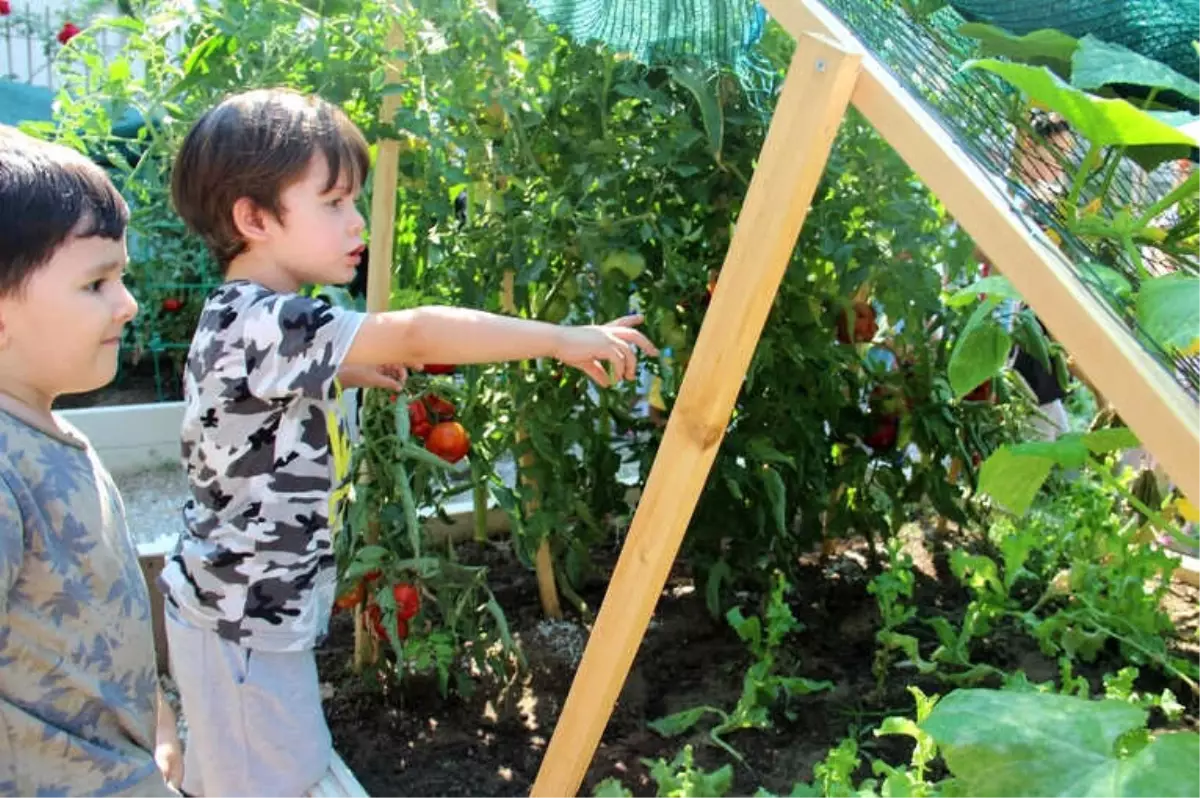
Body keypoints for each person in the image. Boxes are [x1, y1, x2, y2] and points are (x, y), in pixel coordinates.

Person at [158, 88, 658, 798]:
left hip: (244, 613)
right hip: (241, 624)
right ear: (253, 217)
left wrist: (346, 370)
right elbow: (417, 330)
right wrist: (558, 339)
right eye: (332, 203)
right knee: (272, 780)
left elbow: (245, 408)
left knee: (246, 772)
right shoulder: (267, 322)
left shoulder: (256, 320)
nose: (355, 220)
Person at [0, 126, 183, 794]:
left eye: (123, 277)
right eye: (97, 283)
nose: (128, 304)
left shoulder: (49, 431)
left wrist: (156, 724)